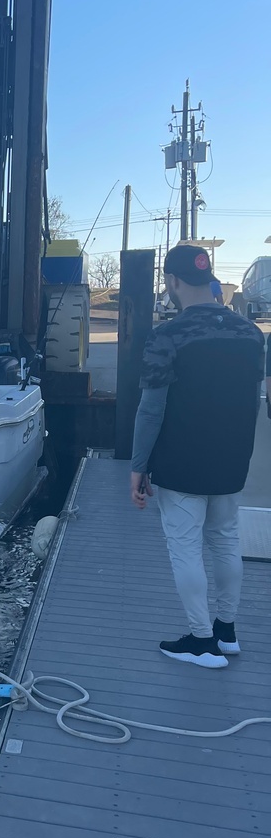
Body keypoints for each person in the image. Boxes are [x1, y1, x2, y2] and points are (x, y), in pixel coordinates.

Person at [130, 243, 266, 667]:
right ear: (210, 280)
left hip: (181, 460)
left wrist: (138, 467)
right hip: (232, 457)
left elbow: (151, 408)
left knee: (185, 547)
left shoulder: (166, 336)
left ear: (171, 282)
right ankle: (227, 633)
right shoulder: (251, 334)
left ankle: (202, 641)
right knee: (226, 540)